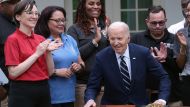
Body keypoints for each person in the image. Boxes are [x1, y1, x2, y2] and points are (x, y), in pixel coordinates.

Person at [84, 21, 171, 106]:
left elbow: (163, 76)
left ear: (128, 38)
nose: (116, 43)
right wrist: (90, 99)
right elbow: (92, 86)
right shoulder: (102, 57)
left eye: (119, 38)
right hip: (113, 105)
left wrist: (162, 99)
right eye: (112, 38)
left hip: (140, 104)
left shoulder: (142, 53)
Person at [4, 0, 62, 107]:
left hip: (43, 89)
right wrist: (37, 54)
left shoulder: (41, 39)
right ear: (18, 17)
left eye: (36, 13)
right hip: (22, 91)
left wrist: (48, 52)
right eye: (30, 13)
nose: (34, 16)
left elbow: (50, 72)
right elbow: (13, 73)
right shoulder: (12, 39)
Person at [130, 6, 182, 106]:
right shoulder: (136, 39)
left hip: (171, 96)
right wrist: (147, 60)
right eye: (154, 23)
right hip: (143, 96)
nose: (158, 26)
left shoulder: (174, 39)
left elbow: (179, 68)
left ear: (166, 20)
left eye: (161, 22)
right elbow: (129, 66)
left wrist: (166, 58)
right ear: (147, 21)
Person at [34, 6, 85, 107]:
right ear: (46, 21)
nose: (61, 23)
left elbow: (81, 62)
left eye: (63, 20)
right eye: (57, 20)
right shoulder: (40, 41)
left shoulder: (70, 39)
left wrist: (78, 67)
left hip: (69, 95)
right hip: (48, 95)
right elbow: (35, 69)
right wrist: (56, 72)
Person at [67, 0, 110, 106]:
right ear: (83, 6)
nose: (95, 6)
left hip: (105, 84)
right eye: (91, 3)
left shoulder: (106, 26)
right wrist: (95, 41)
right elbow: (74, 55)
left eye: (98, 4)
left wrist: (110, 38)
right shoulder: (74, 29)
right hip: (83, 85)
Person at [0, 0, 20, 106]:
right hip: (4, 92)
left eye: (18, 2)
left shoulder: (14, 22)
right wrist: (1, 86)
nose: (17, 5)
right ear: (2, 5)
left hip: (17, 89)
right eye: (12, 3)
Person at [173, 1, 190, 105]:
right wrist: (183, 46)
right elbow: (179, 65)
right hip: (187, 80)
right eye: (187, 10)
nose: (188, 13)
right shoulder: (180, 33)